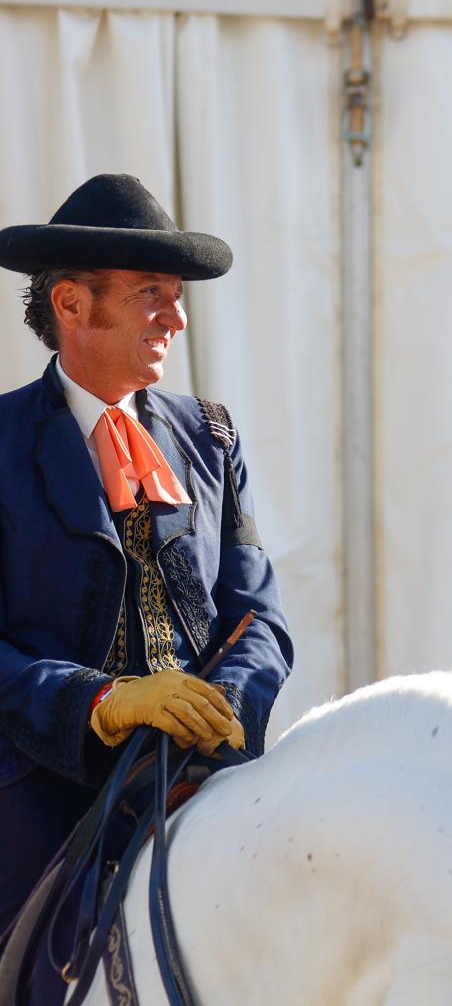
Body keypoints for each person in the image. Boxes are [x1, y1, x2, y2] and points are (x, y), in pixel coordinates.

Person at [0, 174, 293, 1000]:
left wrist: (221, 705)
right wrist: (105, 701)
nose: (178, 316)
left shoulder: (210, 435)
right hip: (41, 786)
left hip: (205, 768)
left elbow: (258, 614)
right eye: (151, 295)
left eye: (177, 295)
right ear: (72, 303)